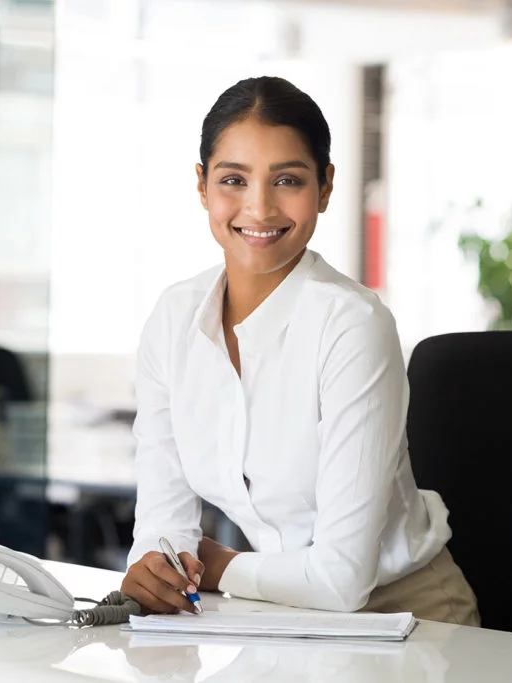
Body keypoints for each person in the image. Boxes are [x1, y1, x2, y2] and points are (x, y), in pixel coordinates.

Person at [120, 76, 480, 626]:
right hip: (280, 612)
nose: (259, 208)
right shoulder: (174, 320)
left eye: (287, 179)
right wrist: (158, 566)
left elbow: (341, 580)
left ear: (326, 187)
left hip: (410, 617)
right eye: (233, 179)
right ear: (202, 186)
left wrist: (216, 568)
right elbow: (164, 527)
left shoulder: (351, 326)